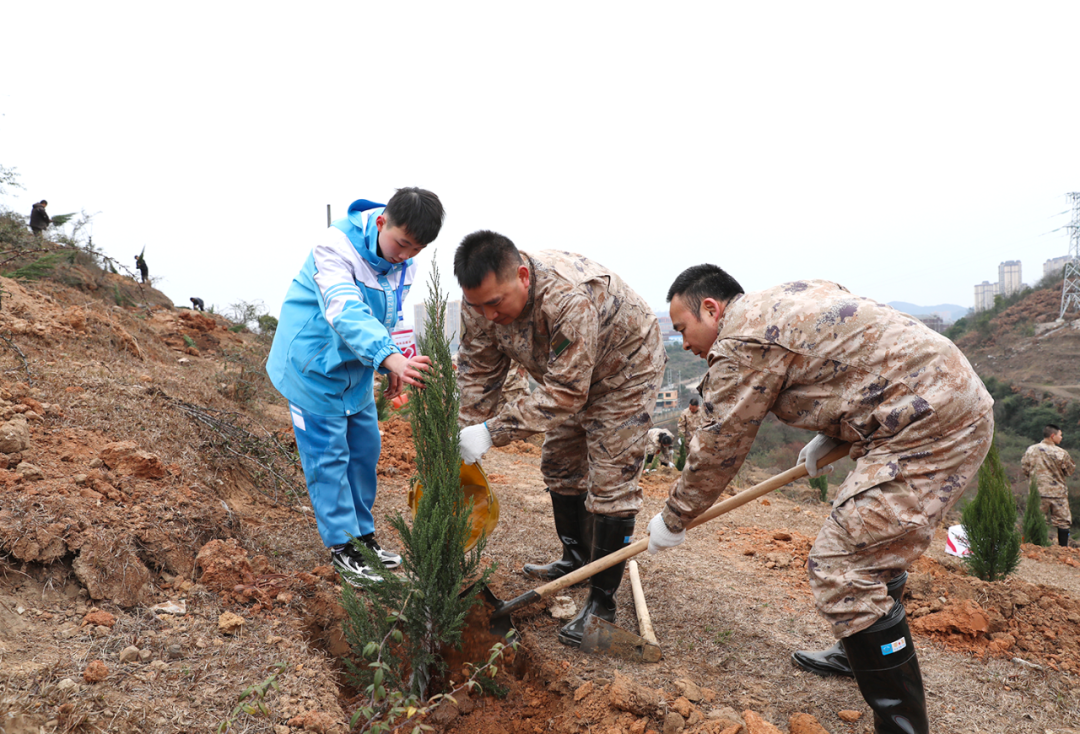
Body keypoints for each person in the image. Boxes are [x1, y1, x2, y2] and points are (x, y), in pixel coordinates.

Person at [647, 265, 994, 734]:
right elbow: (850, 354)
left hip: (933, 423)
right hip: (925, 404)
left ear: (711, 309)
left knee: (845, 563)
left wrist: (673, 518)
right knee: (866, 539)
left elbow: (718, 447)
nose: (684, 343)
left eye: (682, 328)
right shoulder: (787, 296)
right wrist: (834, 433)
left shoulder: (740, 342)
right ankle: (857, 650)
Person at [453, 231, 667, 647]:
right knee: (560, 464)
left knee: (610, 484)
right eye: (478, 306)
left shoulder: (568, 298)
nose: (489, 315)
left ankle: (601, 604)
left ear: (522, 277)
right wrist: (467, 437)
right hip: (564, 373)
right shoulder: (479, 304)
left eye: (495, 303)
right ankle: (577, 558)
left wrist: (494, 432)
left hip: (623, 370)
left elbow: (567, 395)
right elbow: (478, 375)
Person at [266, 188, 444, 584]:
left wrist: (392, 359)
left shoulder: (405, 262)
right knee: (328, 457)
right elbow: (346, 311)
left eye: (416, 249)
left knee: (364, 450)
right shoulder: (334, 247)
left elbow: (391, 314)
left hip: (357, 368)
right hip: (313, 367)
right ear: (382, 222)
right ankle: (344, 548)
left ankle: (364, 538)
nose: (405, 255)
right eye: (402, 243)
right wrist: (388, 356)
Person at [1021, 424, 1075, 547]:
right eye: (1060, 435)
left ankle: (1038, 547)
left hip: (1037, 493)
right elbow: (1069, 471)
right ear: (1052, 435)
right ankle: (1063, 548)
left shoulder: (1031, 450)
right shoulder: (1061, 453)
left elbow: (1025, 469)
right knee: (1063, 522)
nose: (1061, 437)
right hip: (1058, 493)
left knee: (1039, 520)